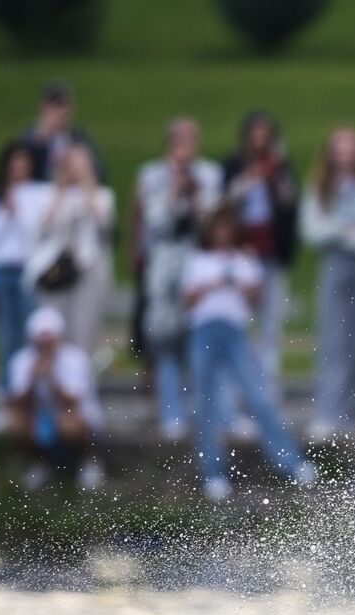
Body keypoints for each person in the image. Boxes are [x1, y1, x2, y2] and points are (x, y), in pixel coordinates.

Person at [182, 206, 317, 502]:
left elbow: (255, 298)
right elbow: (187, 300)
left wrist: (237, 284)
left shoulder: (245, 258)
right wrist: (214, 283)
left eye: (227, 227)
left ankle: (291, 463)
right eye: (218, 227)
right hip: (204, 331)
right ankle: (212, 473)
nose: (223, 233)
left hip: (234, 332)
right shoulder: (198, 259)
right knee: (205, 403)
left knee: (259, 396)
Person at [132, 118, 222, 441]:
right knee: (164, 340)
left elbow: (212, 223)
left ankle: (207, 411)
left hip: (194, 261)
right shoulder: (152, 175)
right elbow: (154, 220)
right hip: (163, 263)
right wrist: (174, 192)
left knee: (200, 339)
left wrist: (195, 194)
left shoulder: (209, 174)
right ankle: (171, 412)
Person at [302, 127, 355, 440]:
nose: (346, 155)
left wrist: (344, 233)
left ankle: (354, 413)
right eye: (340, 148)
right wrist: (345, 229)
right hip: (335, 265)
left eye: (352, 148)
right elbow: (312, 230)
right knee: (333, 341)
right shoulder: (321, 186)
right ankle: (328, 412)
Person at [221, 110, 299, 384]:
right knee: (240, 322)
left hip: (271, 252)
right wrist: (250, 178)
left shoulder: (280, 168)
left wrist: (274, 177)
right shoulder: (234, 165)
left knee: (270, 325)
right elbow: (225, 204)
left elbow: (289, 204)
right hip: (242, 251)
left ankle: (267, 386)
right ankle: (237, 387)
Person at [24, 145, 114, 360]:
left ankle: (81, 384)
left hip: (88, 268)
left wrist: (86, 182)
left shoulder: (102, 195)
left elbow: (103, 225)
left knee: (84, 330)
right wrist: (59, 189)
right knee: (54, 326)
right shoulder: (47, 194)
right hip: (54, 269)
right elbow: (42, 229)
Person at [0, 141, 49, 392]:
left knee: (31, 331)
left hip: (30, 270)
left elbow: (38, 235)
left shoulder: (39, 193)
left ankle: (31, 388)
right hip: (2, 271)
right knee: (7, 332)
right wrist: (5, 213)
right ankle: (9, 389)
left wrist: (19, 214)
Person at [6, 306, 103, 491]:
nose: (44, 348)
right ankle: (38, 463)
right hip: (42, 420)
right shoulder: (21, 360)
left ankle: (88, 462)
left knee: (69, 423)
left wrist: (51, 378)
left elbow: (73, 402)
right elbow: (16, 403)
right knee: (14, 422)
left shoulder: (75, 358)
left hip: (73, 420)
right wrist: (32, 380)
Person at [21, 81, 102, 182]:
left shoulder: (79, 136)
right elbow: (21, 171)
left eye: (61, 105)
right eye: (53, 105)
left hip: (73, 188)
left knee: (79, 157)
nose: (58, 111)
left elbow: (100, 173)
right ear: (42, 107)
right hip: (42, 190)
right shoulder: (30, 137)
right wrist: (39, 141)